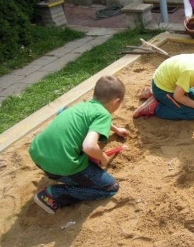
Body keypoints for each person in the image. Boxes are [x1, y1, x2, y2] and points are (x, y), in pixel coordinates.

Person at [29, 75, 129, 214]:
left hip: (37, 153)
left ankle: (57, 175)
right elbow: (89, 146)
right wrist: (103, 157)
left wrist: (116, 129)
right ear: (117, 101)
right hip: (61, 164)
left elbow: (93, 118)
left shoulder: (84, 105)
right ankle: (53, 194)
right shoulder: (104, 115)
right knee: (110, 188)